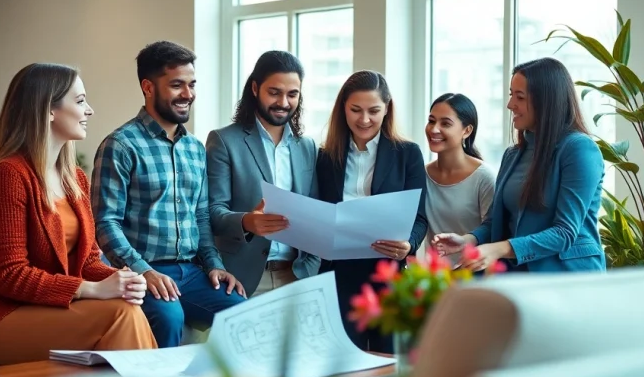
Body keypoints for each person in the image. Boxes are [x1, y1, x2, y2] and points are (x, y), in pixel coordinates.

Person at [0, 63, 156, 364]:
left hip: (48, 308)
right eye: (80, 101)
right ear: (49, 109)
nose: (89, 110)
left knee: (127, 307)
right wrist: (92, 289)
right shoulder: (7, 175)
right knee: (120, 314)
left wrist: (121, 279)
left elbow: (88, 261)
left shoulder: (75, 179)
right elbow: (11, 276)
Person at [92, 41, 245, 348]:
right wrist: (144, 271)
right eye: (177, 85)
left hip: (192, 271)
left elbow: (201, 217)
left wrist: (215, 265)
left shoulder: (195, 148)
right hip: (141, 269)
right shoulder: (120, 145)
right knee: (169, 317)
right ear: (148, 87)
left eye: (192, 84)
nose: (188, 94)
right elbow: (105, 223)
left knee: (244, 314)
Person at [432, 57, 606, 273]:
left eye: (520, 97)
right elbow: (496, 221)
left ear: (546, 101)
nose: (510, 105)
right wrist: (468, 240)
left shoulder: (579, 149)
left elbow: (565, 233)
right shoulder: (512, 155)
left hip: (568, 276)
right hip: (519, 275)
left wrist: (499, 249)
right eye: (511, 95)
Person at [316, 70, 428, 352]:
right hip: (338, 274)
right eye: (355, 110)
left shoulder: (408, 153)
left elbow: (420, 217)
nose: (364, 119)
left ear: (387, 108)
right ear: (343, 108)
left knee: (388, 360)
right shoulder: (327, 156)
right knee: (342, 359)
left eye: (374, 111)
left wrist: (408, 244)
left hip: (387, 273)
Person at [206, 51, 321, 297]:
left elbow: (315, 213)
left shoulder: (307, 146)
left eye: (292, 94)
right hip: (242, 279)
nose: (283, 102)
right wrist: (246, 222)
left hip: (297, 277)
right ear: (255, 88)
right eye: (274, 92)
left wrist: (311, 269)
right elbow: (211, 212)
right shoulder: (224, 141)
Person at [423, 93, 496, 260]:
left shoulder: (484, 177)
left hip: (472, 271)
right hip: (433, 273)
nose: (434, 129)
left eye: (445, 123)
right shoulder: (422, 175)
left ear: (467, 130)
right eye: (431, 121)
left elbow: (493, 229)